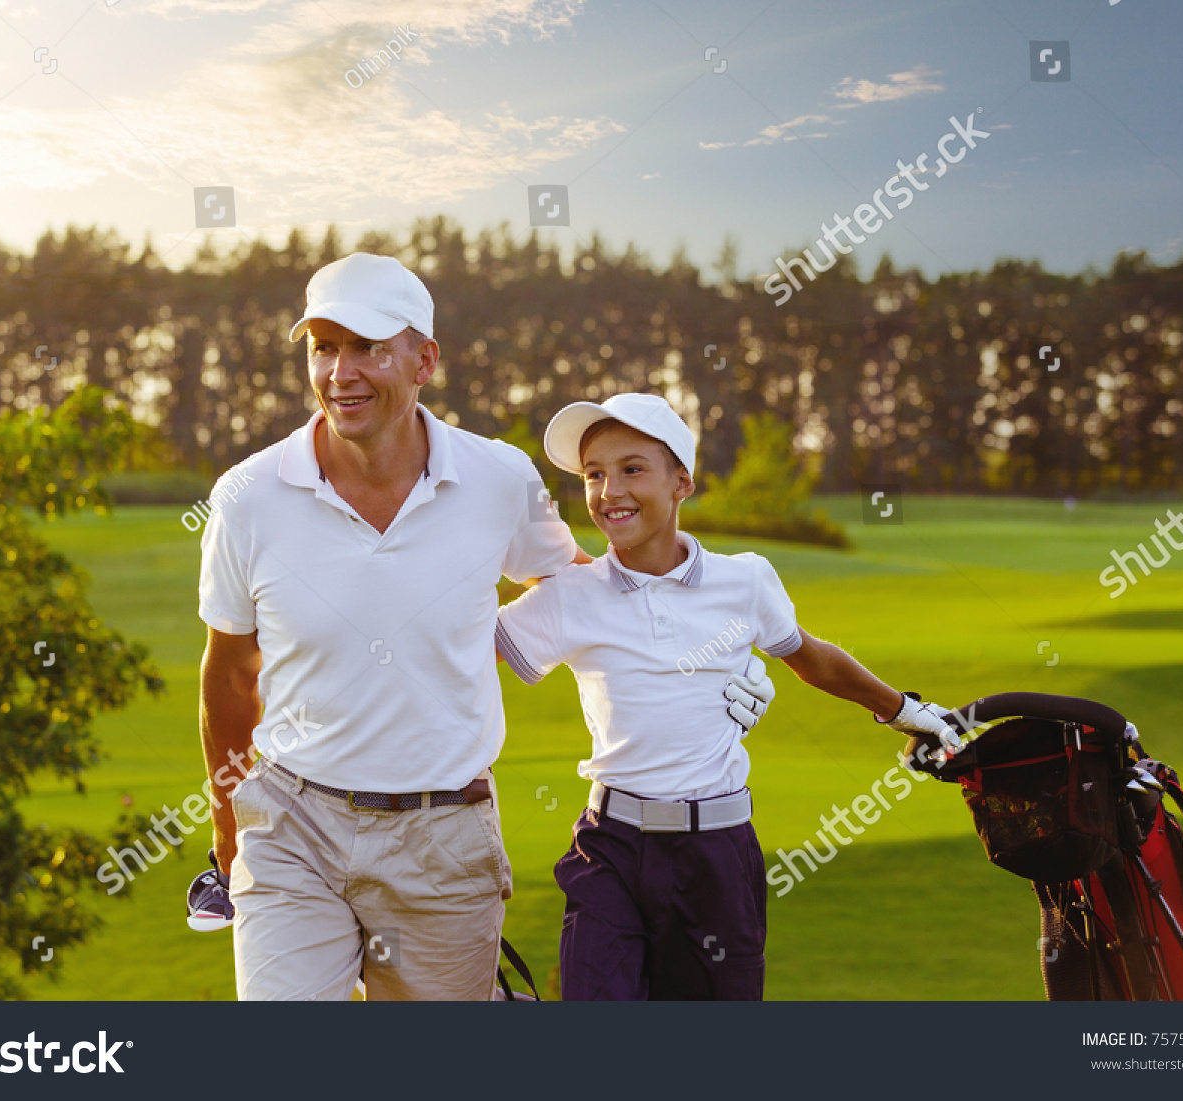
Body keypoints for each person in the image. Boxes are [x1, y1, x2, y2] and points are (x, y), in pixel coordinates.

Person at [192, 253, 776, 1000]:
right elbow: (229, 673)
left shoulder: (499, 479)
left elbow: (583, 588)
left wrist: (710, 654)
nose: (342, 371)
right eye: (324, 346)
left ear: (425, 359)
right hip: (292, 824)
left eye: (368, 346)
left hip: (445, 837)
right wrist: (227, 829)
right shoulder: (246, 497)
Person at [493, 393, 965, 1000]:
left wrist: (902, 710)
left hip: (716, 854)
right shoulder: (570, 595)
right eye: (594, 474)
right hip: (608, 847)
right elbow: (463, 662)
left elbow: (810, 657)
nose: (609, 490)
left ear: (682, 481)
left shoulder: (744, 580)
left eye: (632, 468)